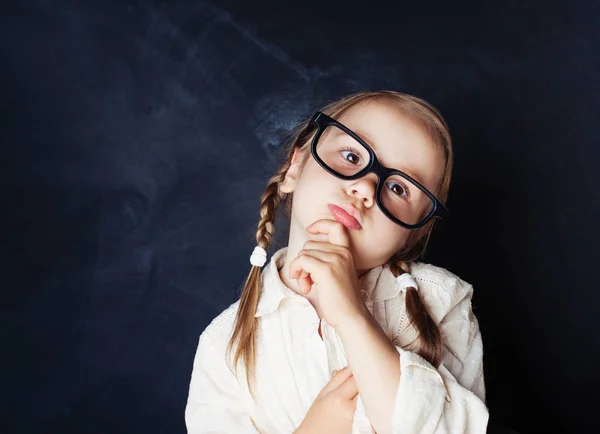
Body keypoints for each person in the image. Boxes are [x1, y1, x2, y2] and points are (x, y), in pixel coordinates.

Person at [185, 90, 489, 433]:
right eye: (351, 155)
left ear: (412, 235)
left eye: (400, 188)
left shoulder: (442, 300)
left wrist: (352, 315)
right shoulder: (224, 345)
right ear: (294, 167)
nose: (364, 187)